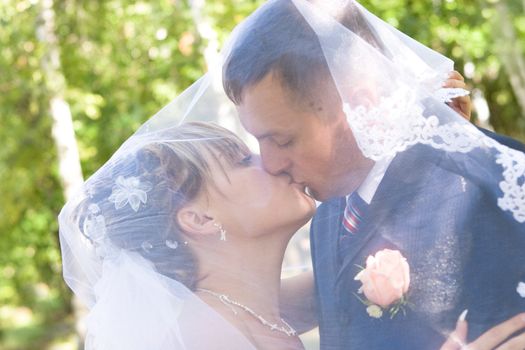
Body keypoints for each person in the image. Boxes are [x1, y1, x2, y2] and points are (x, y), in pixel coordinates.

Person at [222, 0, 525, 349]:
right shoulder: (328, 216)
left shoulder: (491, 185)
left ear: (360, 106)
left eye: (282, 139)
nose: (270, 163)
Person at [59, 121, 317, 349]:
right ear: (200, 219)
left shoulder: (254, 311)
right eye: (244, 161)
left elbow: (332, 285)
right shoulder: (205, 336)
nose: (272, 160)